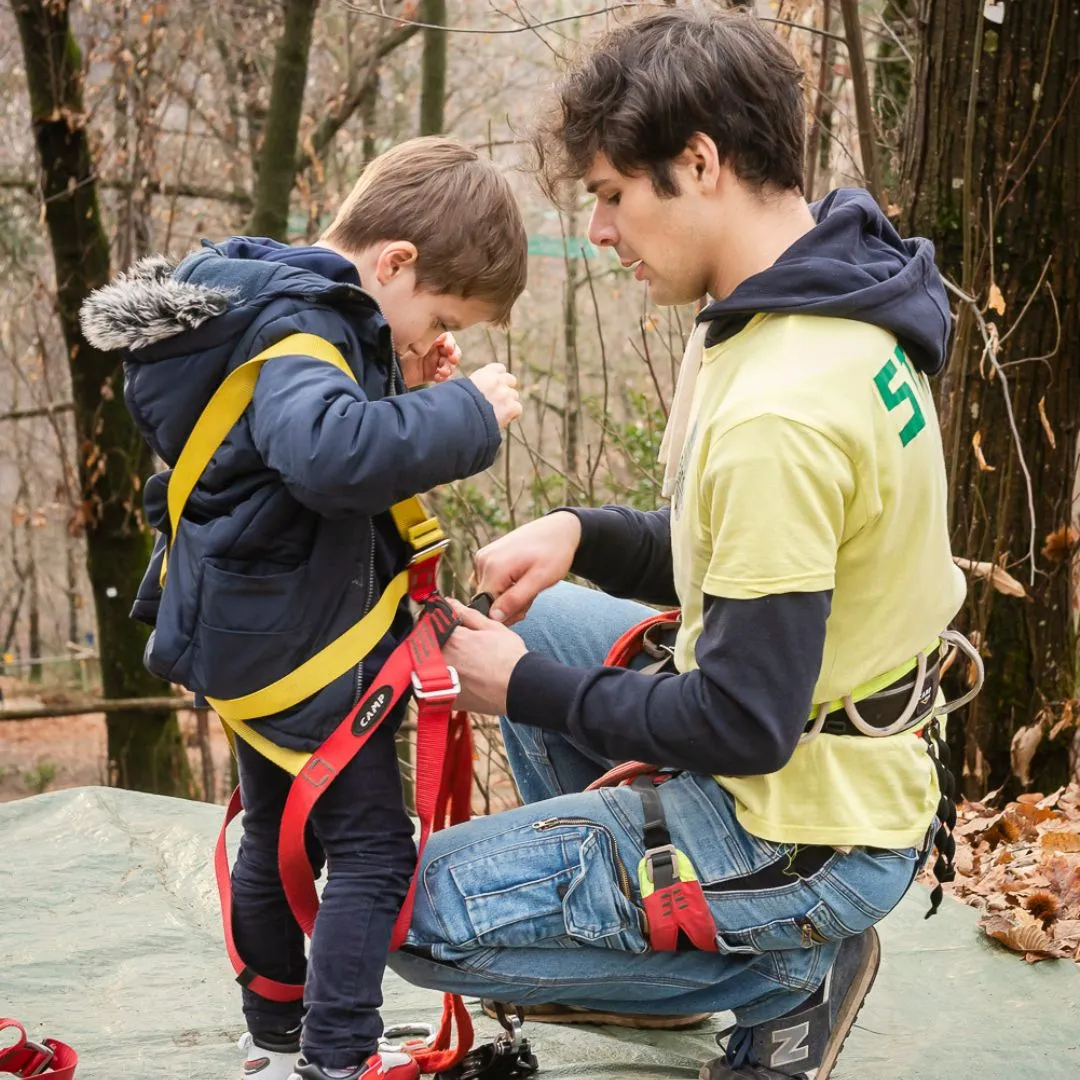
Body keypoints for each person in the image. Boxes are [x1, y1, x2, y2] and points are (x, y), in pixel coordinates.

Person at [387, 11, 965, 1080]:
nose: (600, 231)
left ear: (698, 162)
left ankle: (786, 975)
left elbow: (742, 722)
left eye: (611, 195)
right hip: (850, 739)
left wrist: (518, 688)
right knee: (554, 615)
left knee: (414, 911)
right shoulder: (833, 290)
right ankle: (678, 961)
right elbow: (755, 561)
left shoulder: (779, 408)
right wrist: (583, 533)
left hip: (810, 821)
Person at [79, 137, 528, 1080]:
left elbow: (280, 456)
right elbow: (329, 457)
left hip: (254, 636)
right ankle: (335, 1057)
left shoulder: (269, 307)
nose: (432, 331)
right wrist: (469, 415)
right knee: (370, 848)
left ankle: (274, 1037)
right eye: (438, 314)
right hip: (306, 650)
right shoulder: (305, 333)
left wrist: (398, 381)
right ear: (395, 262)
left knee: (277, 821)